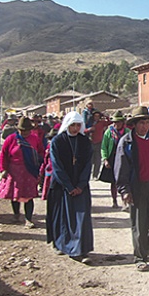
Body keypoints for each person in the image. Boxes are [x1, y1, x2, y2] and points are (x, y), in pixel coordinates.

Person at [114, 106, 149, 271]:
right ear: (134, 125)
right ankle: (139, 256)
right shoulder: (126, 142)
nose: (144, 126)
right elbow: (121, 168)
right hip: (137, 187)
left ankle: (147, 246)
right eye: (141, 123)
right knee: (139, 223)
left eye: (147, 122)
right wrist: (124, 190)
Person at [47, 112, 94, 264]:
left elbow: (88, 165)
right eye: (72, 125)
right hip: (62, 186)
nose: (75, 128)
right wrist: (68, 186)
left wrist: (80, 185)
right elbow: (57, 166)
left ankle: (80, 249)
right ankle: (62, 244)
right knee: (62, 217)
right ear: (67, 125)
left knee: (81, 217)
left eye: (78, 125)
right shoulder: (58, 141)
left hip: (80, 186)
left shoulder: (85, 142)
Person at [0, 117, 44, 228]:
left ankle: (28, 219)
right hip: (15, 170)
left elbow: (41, 152)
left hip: (30, 170)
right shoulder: (11, 139)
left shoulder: (35, 139)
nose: (24, 132)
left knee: (29, 195)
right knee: (15, 194)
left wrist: (40, 168)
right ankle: (16, 215)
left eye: (26, 130)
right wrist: (3, 169)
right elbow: (4, 154)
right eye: (22, 130)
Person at [100, 110, 129, 209]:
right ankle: (114, 200)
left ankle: (125, 201)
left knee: (125, 181)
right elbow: (104, 146)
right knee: (114, 181)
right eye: (115, 122)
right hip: (112, 158)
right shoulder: (109, 132)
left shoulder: (127, 132)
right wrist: (105, 159)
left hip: (125, 158)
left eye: (119, 122)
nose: (117, 124)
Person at [86, 111, 110, 180]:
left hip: (99, 143)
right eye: (95, 116)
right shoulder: (89, 123)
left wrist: (106, 116)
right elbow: (83, 130)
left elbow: (109, 122)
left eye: (98, 116)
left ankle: (95, 175)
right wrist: (89, 130)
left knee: (98, 160)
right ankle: (88, 174)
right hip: (90, 143)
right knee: (90, 160)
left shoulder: (101, 123)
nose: (96, 117)